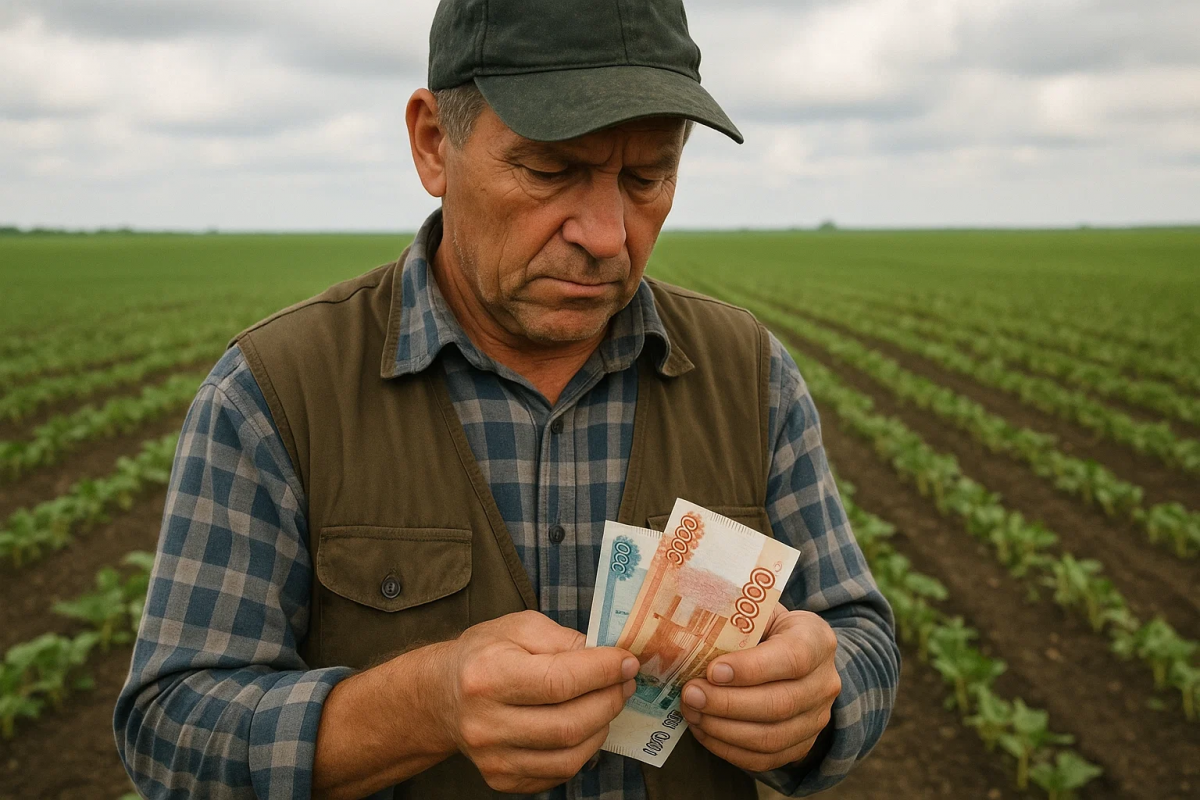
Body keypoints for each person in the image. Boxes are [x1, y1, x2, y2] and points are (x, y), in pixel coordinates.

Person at [114, 0, 899, 798]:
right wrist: (421, 705)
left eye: (647, 177)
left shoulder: (751, 376)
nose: (605, 233)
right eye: (550, 169)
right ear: (433, 144)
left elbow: (858, 634)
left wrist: (818, 697)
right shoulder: (272, 393)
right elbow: (170, 732)